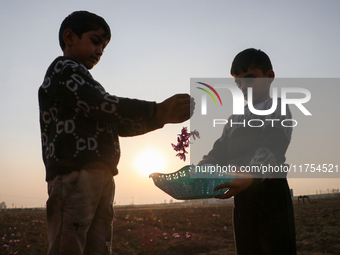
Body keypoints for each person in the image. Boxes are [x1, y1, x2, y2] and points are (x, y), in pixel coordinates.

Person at [38, 11, 194, 255]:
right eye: (95, 40)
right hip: (75, 174)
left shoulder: (86, 81)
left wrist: (161, 118)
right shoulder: (63, 70)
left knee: (99, 246)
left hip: (100, 175)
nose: (100, 50)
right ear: (69, 37)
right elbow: (100, 104)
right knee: (69, 245)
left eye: (104, 45)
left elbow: (116, 124)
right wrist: (157, 110)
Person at [198, 48, 296, 254]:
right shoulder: (234, 119)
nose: (244, 86)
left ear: (269, 77)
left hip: (271, 193)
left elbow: (274, 144)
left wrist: (251, 174)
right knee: (247, 247)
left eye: (250, 78)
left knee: (276, 247)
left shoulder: (277, 107)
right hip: (242, 196)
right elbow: (219, 150)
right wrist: (203, 167)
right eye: (238, 82)